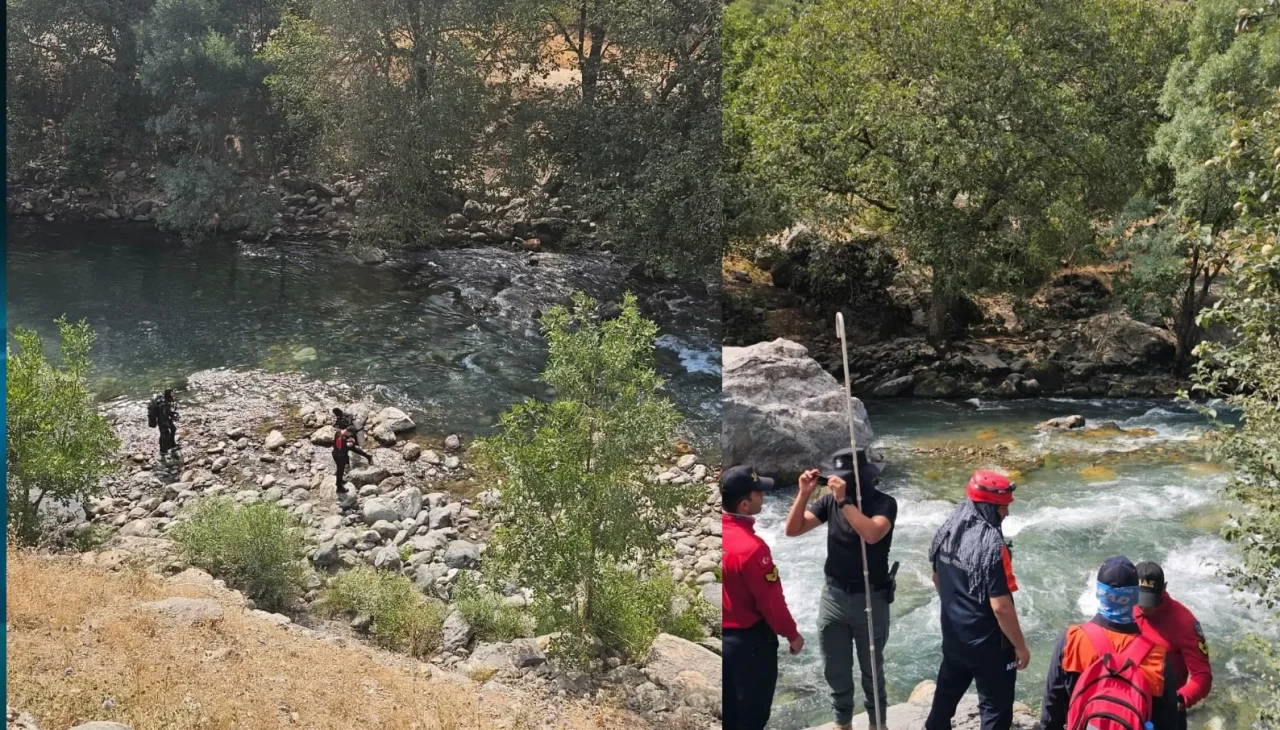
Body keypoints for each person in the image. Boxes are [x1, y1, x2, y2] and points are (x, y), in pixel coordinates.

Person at [785, 448, 896, 730]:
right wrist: (804, 494)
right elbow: (793, 529)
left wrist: (845, 501)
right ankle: (842, 723)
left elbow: (872, 534)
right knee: (835, 668)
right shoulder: (829, 503)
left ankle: (877, 724)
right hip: (833, 595)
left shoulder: (884, 503)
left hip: (870, 597)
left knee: (872, 669)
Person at [925, 470, 1029, 730]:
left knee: (945, 697)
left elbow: (937, 579)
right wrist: (1020, 647)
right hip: (990, 646)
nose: (1006, 514)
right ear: (988, 507)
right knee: (995, 709)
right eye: (1003, 507)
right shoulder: (992, 546)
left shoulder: (947, 531)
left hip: (955, 635)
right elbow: (1001, 607)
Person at [1041, 556, 1170, 730]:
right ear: (1135, 596)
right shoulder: (1156, 657)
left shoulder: (1072, 640)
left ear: (1098, 592)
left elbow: (1051, 711)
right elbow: (1166, 723)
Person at [722, 464, 804, 730]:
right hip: (750, 647)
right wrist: (792, 634)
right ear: (745, 504)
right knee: (752, 717)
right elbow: (771, 602)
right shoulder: (753, 549)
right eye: (758, 493)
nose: (764, 496)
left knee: (730, 716)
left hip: (723, 638)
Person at [1135, 561, 1213, 730]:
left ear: (1164, 588)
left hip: (1167, 710)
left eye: (1150, 600)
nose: (1145, 606)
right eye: (1140, 599)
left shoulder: (1185, 623)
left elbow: (1203, 677)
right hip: (1132, 705)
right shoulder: (1128, 608)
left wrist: (1179, 699)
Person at [332, 427, 373, 493]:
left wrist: (349, 442)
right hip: (339, 455)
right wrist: (348, 445)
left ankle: (339, 482)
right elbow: (340, 448)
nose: (350, 435)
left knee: (340, 470)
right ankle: (339, 487)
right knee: (340, 470)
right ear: (348, 432)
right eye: (350, 434)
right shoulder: (341, 438)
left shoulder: (340, 432)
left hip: (341, 453)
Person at [149, 389, 180, 462]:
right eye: (172, 392)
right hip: (162, 422)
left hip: (166, 420)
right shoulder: (163, 404)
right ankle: (162, 451)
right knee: (164, 434)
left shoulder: (168, 400)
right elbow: (163, 415)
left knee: (173, 429)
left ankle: (172, 445)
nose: (174, 393)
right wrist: (171, 417)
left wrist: (173, 414)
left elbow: (167, 412)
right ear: (169, 393)